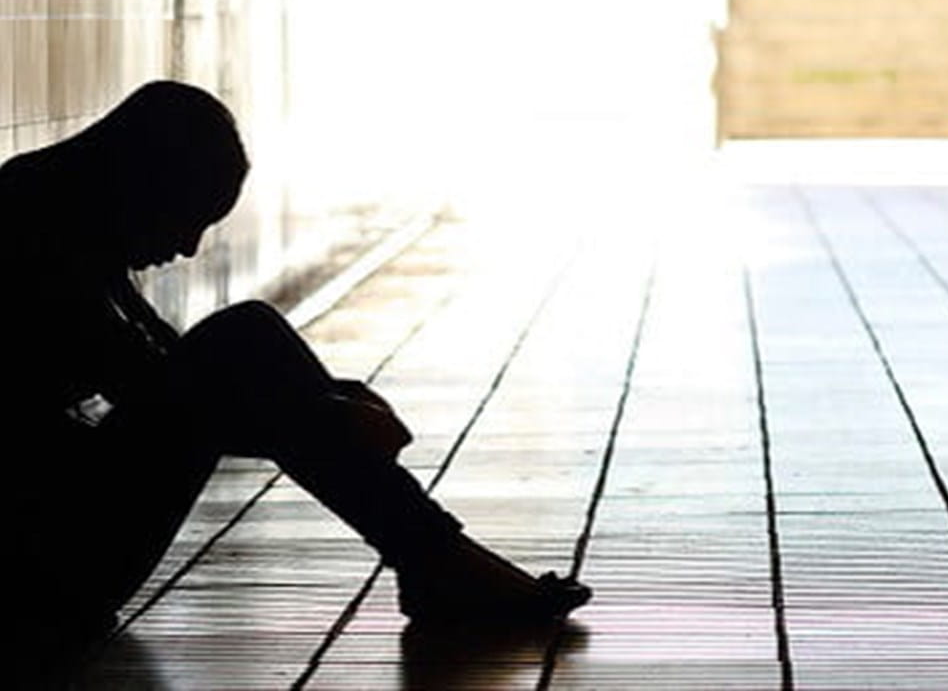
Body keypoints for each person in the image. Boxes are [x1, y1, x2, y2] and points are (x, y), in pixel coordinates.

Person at [5, 81, 589, 663]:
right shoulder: (28, 232)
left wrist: (329, 400)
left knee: (249, 331)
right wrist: (330, 420)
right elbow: (166, 390)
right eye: (186, 218)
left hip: (53, 554)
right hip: (37, 585)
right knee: (241, 341)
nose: (187, 248)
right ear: (144, 182)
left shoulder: (62, 210)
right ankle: (435, 558)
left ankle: (433, 558)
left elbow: (170, 365)